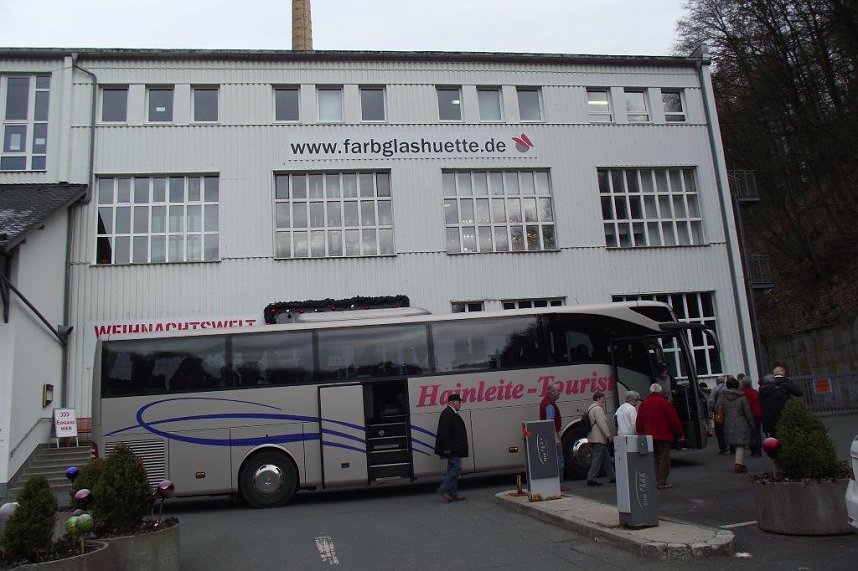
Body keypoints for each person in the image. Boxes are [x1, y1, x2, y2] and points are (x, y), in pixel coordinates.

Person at [636, 383, 684, 489]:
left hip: (648, 435)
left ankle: (655, 478)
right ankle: (662, 481)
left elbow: (639, 420)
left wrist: (640, 432)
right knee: (663, 458)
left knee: (654, 458)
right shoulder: (665, 402)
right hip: (663, 435)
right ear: (660, 391)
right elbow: (674, 420)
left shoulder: (644, 403)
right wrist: (679, 433)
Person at [434, 394, 468, 501]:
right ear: (453, 402)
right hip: (452, 448)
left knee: (451, 470)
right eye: (459, 402)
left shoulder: (452, 413)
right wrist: (447, 446)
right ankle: (443, 489)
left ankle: (454, 493)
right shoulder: (447, 413)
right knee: (457, 468)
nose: (460, 404)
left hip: (454, 447)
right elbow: (444, 432)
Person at [717, 376, 755, 472]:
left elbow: (718, 408)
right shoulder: (742, 397)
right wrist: (752, 423)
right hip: (741, 421)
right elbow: (748, 412)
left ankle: (739, 462)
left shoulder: (722, 396)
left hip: (728, 421)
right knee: (740, 444)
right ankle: (739, 463)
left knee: (735, 443)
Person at [759, 366, 803, 437]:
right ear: (783, 372)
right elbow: (799, 393)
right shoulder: (786, 383)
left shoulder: (763, 389)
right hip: (782, 415)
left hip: (768, 418)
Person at [585, 391, 615, 487]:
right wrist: (608, 436)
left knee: (606, 458)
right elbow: (602, 424)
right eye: (602, 398)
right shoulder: (598, 409)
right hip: (598, 437)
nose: (604, 400)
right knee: (597, 459)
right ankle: (591, 478)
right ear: (598, 399)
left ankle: (612, 476)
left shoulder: (591, 408)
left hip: (593, 437)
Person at [539, 381, 566, 484]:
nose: (560, 393)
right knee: (559, 459)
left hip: (548, 434)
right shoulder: (549, 405)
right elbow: (550, 421)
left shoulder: (546, 402)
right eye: (558, 391)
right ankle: (559, 483)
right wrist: (555, 437)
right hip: (552, 435)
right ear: (552, 392)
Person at [739, 373, 762, 456]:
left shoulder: (741, 393)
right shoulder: (755, 392)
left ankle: (753, 450)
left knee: (749, 433)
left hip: (747, 415)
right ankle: (759, 451)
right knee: (757, 432)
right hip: (757, 414)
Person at [709, 376, 728, 454]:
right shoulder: (728, 388)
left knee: (719, 429)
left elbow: (711, 401)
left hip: (718, 411)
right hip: (728, 410)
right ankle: (732, 447)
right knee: (728, 428)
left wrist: (711, 410)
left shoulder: (715, 389)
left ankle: (722, 447)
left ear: (717, 381)